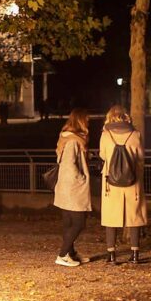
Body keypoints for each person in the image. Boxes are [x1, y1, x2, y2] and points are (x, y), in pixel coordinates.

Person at [99, 105, 148, 264]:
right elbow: (140, 157)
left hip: (111, 181)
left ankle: (111, 254)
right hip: (131, 180)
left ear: (110, 117)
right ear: (126, 116)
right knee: (134, 216)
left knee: (111, 216)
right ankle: (135, 254)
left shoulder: (106, 135)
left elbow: (102, 155)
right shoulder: (135, 134)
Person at [53, 108, 92, 267]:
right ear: (81, 121)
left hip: (64, 185)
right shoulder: (74, 141)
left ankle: (71, 253)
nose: (88, 123)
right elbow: (70, 164)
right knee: (79, 222)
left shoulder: (67, 138)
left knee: (68, 222)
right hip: (73, 186)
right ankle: (62, 255)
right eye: (87, 120)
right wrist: (81, 178)